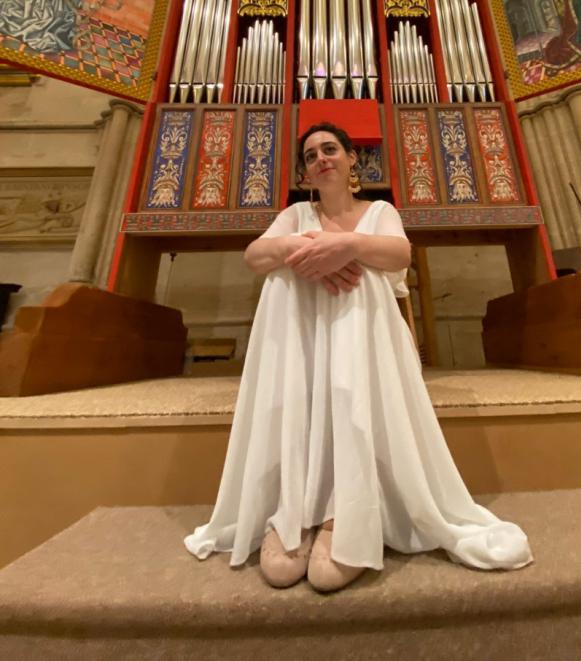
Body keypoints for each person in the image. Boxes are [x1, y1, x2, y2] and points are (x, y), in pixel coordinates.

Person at [184, 122, 532, 592]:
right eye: (310, 155)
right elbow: (254, 255)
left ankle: (339, 510)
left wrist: (346, 246)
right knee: (281, 285)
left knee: (351, 398)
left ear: (351, 160)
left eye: (330, 149)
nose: (321, 158)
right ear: (306, 173)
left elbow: (399, 254)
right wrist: (300, 250)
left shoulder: (379, 210)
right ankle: (297, 508)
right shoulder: (295, 215)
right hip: (303, 344)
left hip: (364, 344)